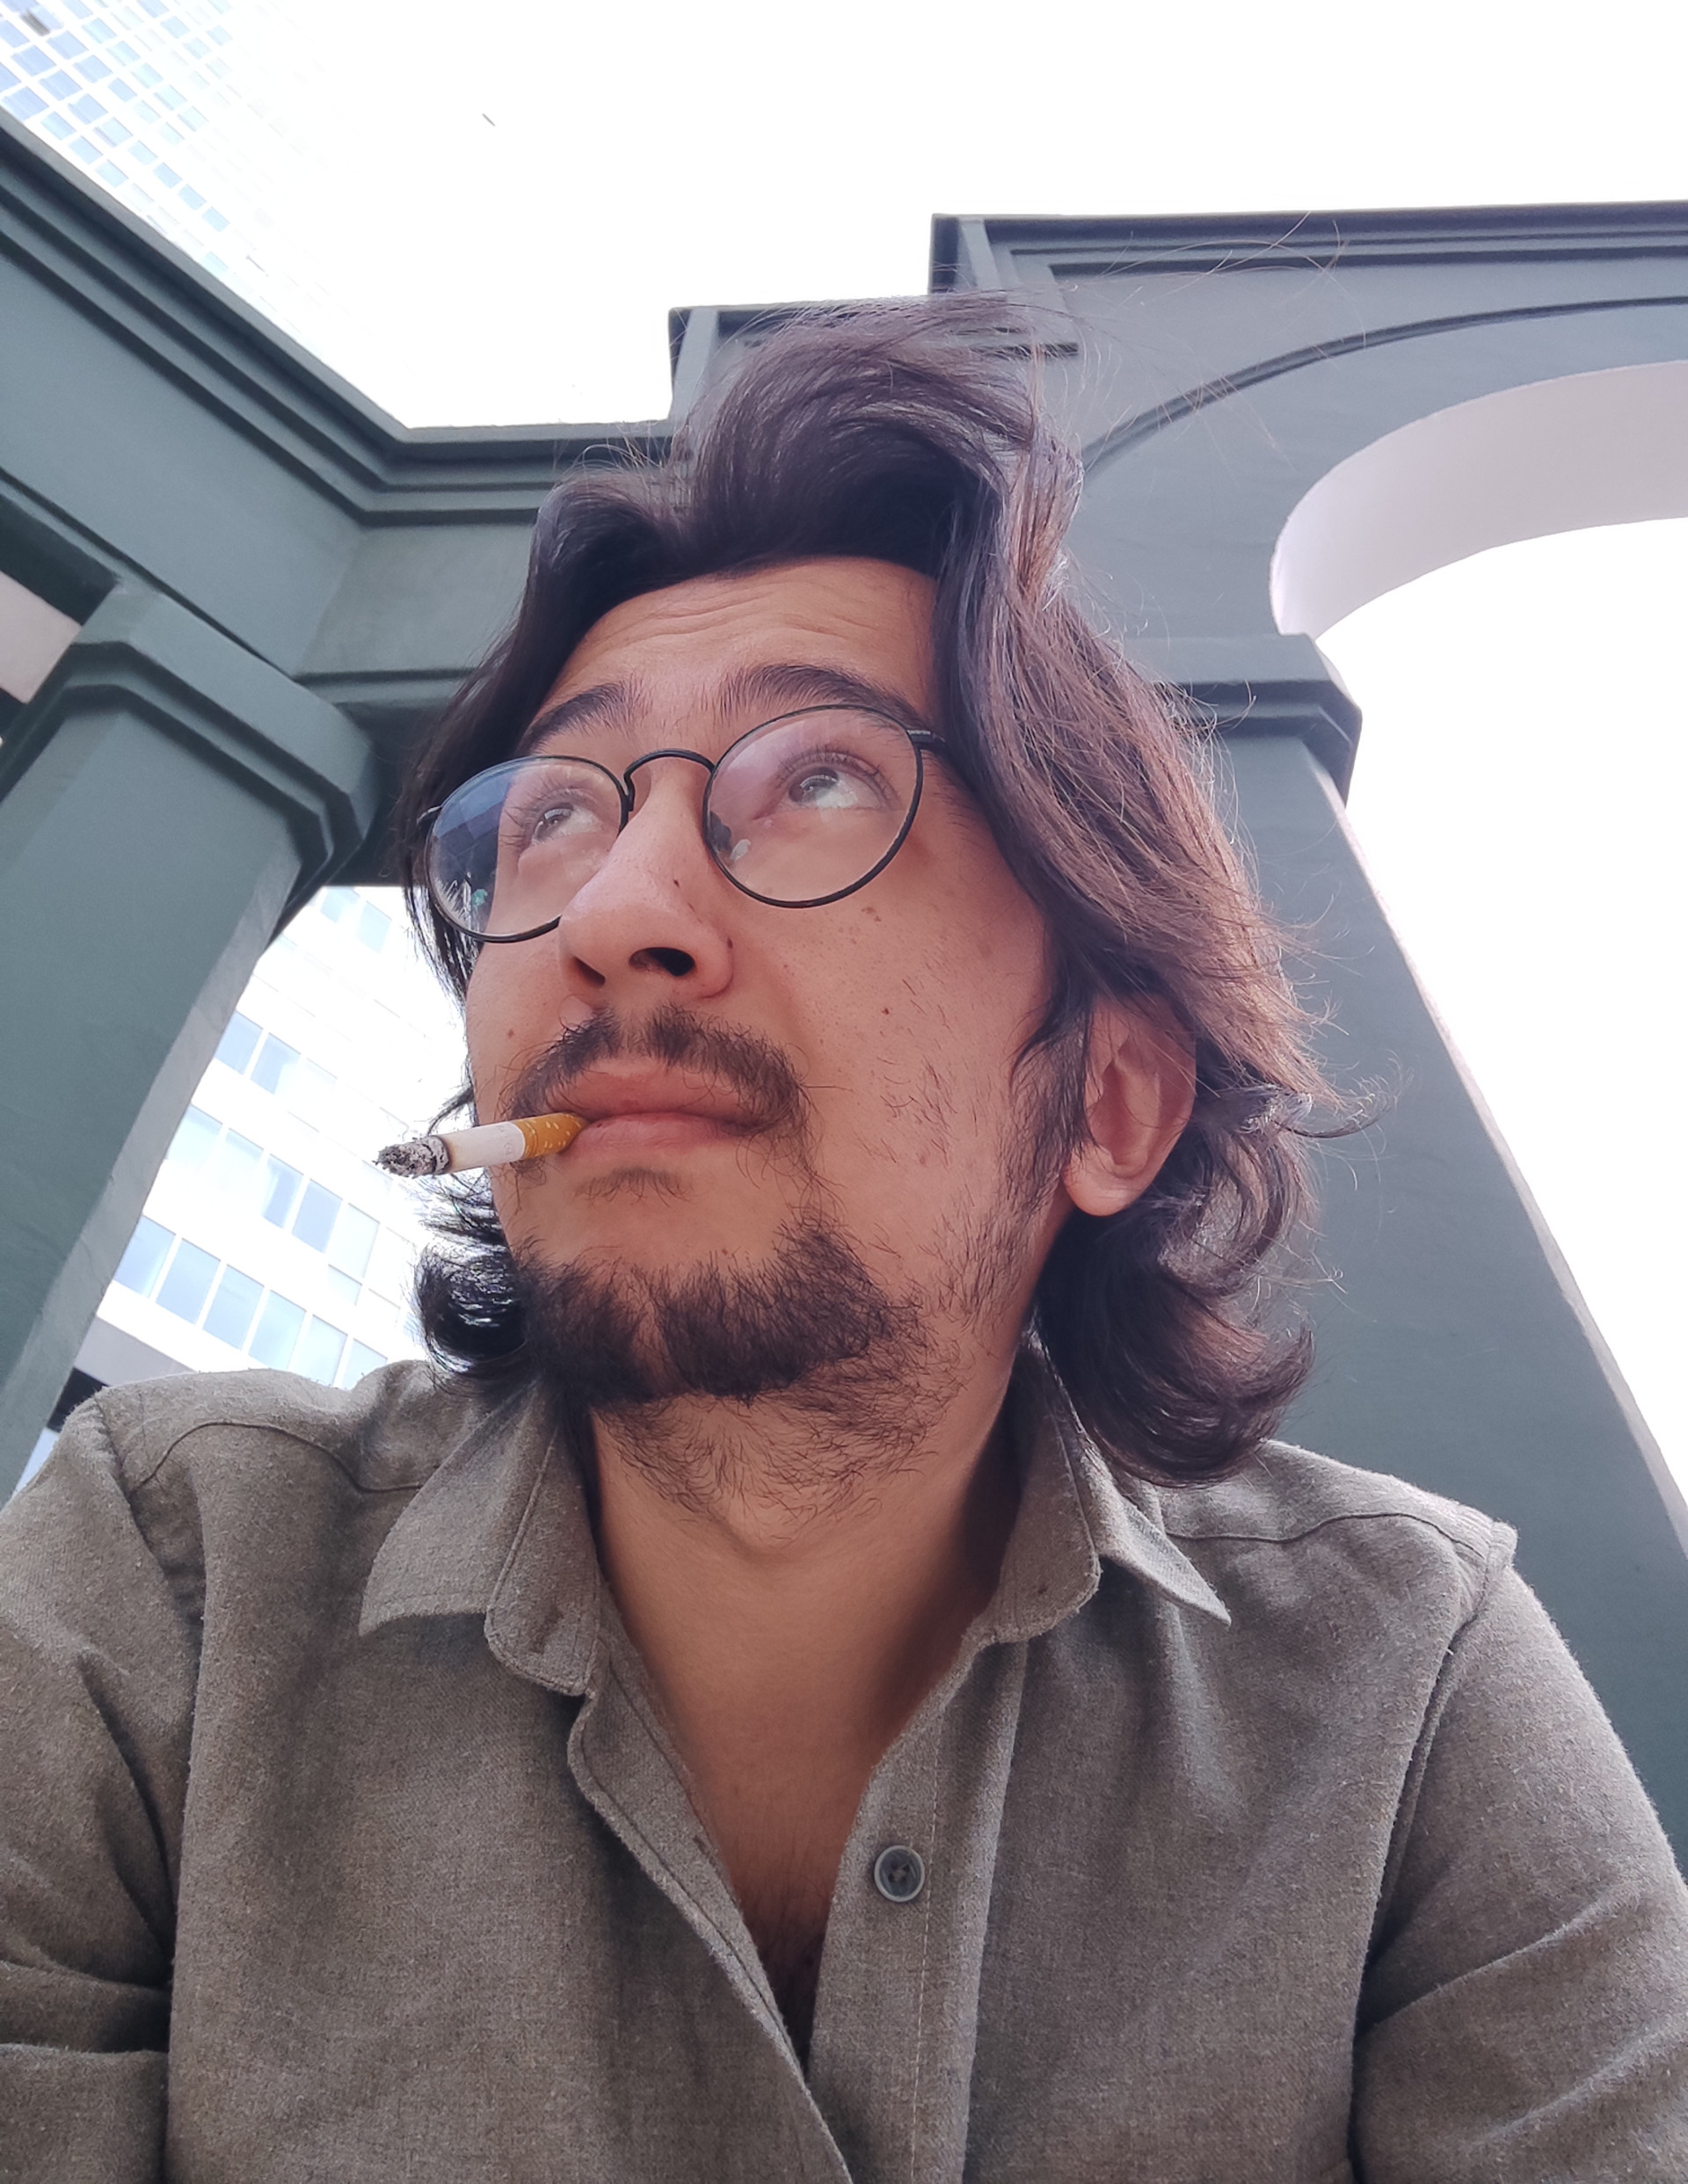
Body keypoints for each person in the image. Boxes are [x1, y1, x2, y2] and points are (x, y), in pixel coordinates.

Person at [2, 305, 1684, 2184]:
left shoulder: (1404, 1684)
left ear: (1111, 1105)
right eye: (552, 817)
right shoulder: (169, 1576)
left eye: (817, 778)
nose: (614, 910)